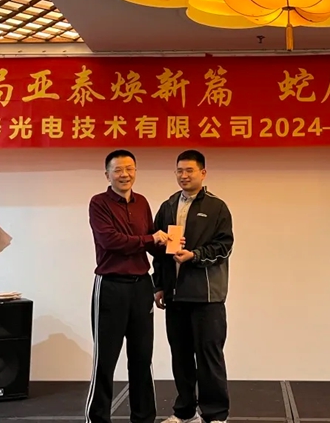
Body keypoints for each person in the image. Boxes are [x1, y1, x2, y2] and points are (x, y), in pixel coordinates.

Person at [86, 150, 172, 423]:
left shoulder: (142, 202)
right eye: (118, 170)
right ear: (107, 175)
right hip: (110, 286)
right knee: (105, 360)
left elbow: (152, 243)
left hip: (141, 287)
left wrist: (171, 245)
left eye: (129, 169)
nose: (125, 174)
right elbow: (111, 241)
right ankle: (97, 418)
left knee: (142, 358)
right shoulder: (98, 203)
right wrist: (150, 239)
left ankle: (144, 418)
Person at [152, 150, 234, 423]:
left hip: (207, 297)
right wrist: (159, 285)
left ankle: (215, 415)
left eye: (189, 170)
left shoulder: (217, 207)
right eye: (179, 171)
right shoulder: (168, 206)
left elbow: (224, 246)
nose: (184, 176)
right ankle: (185, 413)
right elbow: (158, 251)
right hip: (175, 296)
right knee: (181, 357)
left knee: (209, 357)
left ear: (203, 173)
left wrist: (195, 255)